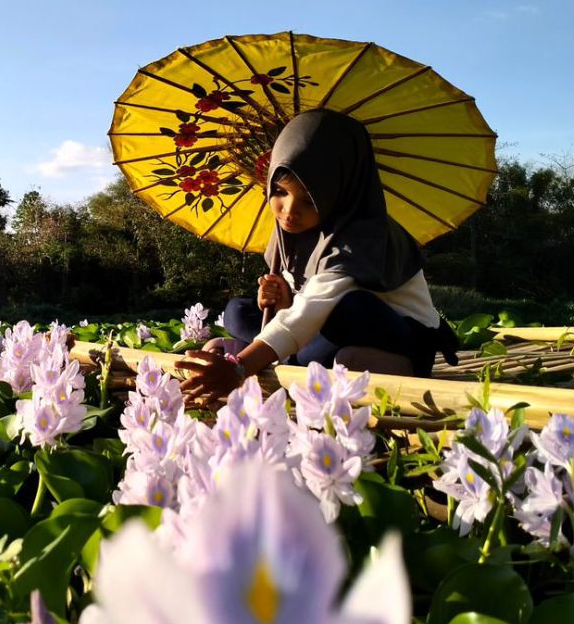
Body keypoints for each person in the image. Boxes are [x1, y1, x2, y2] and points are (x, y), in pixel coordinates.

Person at [177, 109, 458, 405]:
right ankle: (284, 355)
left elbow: (314, 307)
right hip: (321, 325)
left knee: (346, 310)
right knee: (237, 310)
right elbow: (299, 301)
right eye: (280, 191)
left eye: (309, 200)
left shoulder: (361, 234)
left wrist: (240, 367)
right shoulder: (292, 231)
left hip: (396, 335)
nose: (289, 210)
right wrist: (283, 297)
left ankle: (400, 368)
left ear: (339, 193)